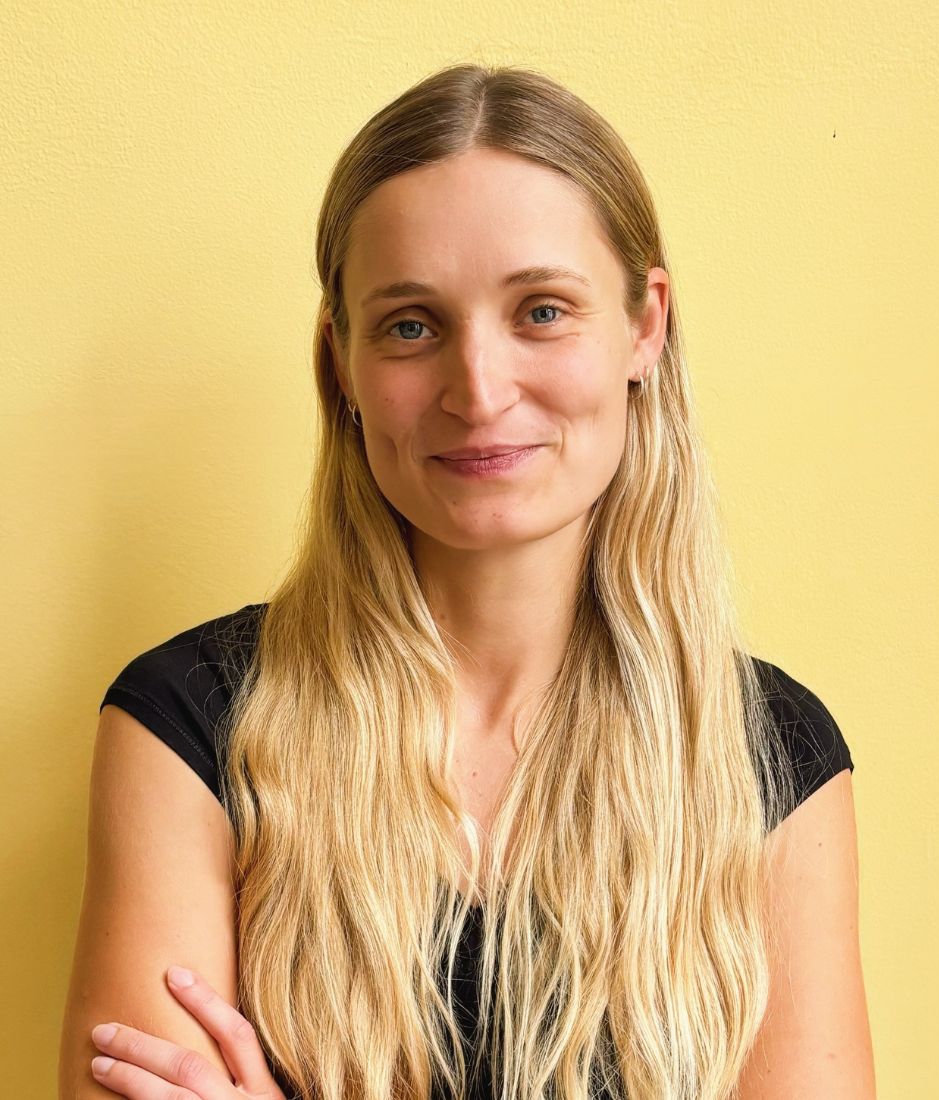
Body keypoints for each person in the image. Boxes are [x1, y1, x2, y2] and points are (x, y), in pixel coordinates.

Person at [60, 63, 875, 1100]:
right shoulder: (185, 723)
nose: (480, 390)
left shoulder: (773, 759)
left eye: (541, 311)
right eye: (411, 324)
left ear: (645, 327)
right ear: (342, 364)